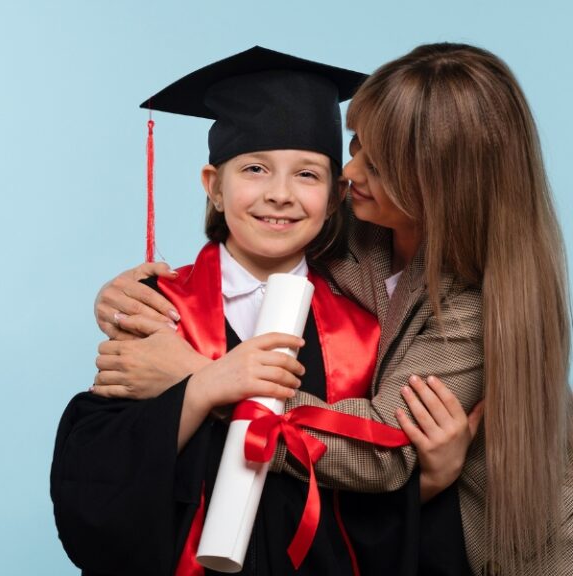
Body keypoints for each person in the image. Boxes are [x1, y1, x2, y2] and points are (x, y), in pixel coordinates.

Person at [91, 43, 573, 575]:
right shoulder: (355, 221)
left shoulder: (473, 304)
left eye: (379, 164)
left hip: (487, 543)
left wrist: (201, 380)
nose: (349, 171)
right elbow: (260, 230)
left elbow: (382, 449)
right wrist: (123, 297)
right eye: (357, 144)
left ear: (439, 186)